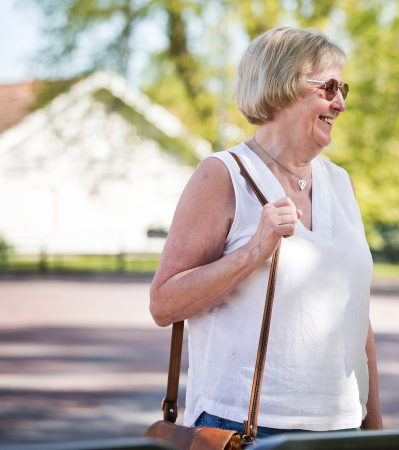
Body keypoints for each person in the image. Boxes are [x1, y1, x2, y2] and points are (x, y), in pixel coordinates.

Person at [149, 27, 382, 439]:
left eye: (343, 88)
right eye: (328, 87)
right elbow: (164, 303)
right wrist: (254, 250)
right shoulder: (223, 175)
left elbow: (356, 315)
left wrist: (375, 426)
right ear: (280, 88)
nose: (341, 103)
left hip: (343, 428)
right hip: (244, 430)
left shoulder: (340, 182)